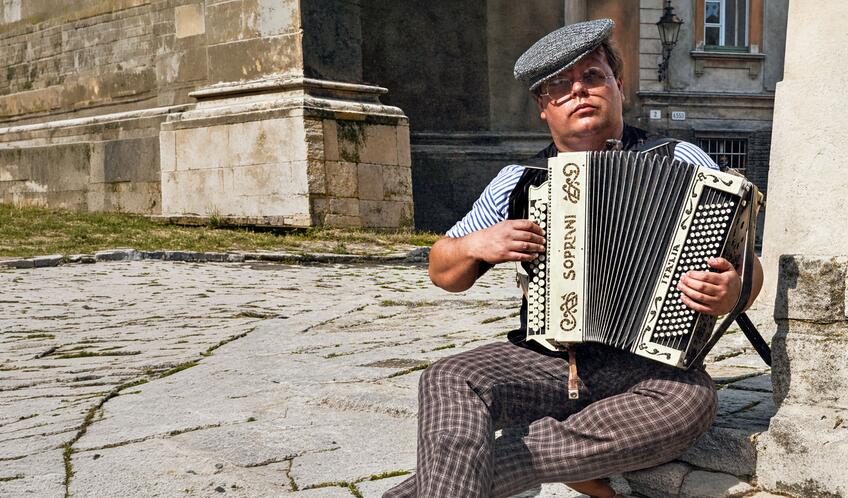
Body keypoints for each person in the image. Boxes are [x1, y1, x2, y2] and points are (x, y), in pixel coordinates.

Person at [384, 19, 764, 498]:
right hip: (545, 361)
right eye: (559, 87)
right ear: (544, 107)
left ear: (618, 85)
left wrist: (732, 290)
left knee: (690, 402)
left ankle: (444, 484)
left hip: (648, 367)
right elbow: (443, 270)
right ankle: (562, 463)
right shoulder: (517, 180)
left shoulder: (679, 157)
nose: (578, 92)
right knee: (449, 378)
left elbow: (749, 271)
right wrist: (475, 246)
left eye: (592, 77)